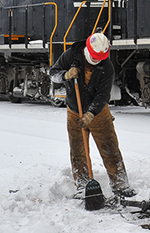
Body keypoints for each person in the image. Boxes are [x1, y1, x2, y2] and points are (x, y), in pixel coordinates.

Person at [49, 32, 136, 199]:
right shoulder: (71, 56)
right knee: (78, 151)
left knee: (109, 147)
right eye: (94, 58)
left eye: (100, 58)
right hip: (74, 109)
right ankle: (82, 186)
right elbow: (53, 73)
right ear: (87, 50)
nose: (97, 61)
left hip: (99, 112)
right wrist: (66, 75)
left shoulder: (106, 65)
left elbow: (103, 95)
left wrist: (91, 113)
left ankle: (121, 185)